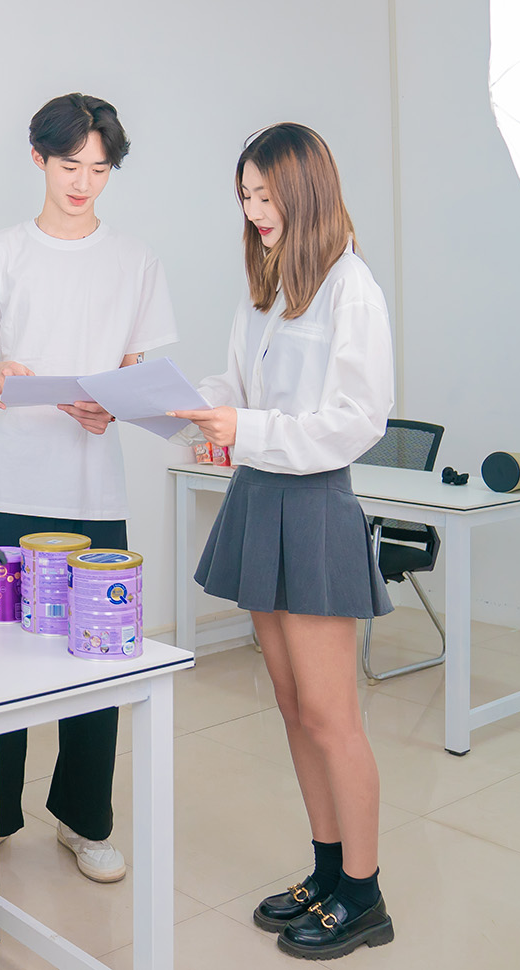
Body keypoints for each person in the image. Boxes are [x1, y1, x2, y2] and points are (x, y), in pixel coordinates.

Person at [169, 123, 396, 958]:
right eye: (245, 196)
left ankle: (364, 897)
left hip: (313, 504)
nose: (255, 211)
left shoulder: (350, 288)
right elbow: (234, 385)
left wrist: (247, 428)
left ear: (305, 191)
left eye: (265, 195)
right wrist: (189, 406)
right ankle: (328, 870)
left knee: (333, 717)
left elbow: (357, 420)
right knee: (295, 708)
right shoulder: (266, 286)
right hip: (259, 495)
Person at [0, 93, 178, 882]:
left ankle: (85, 820)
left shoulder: (135, 260)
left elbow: (138, 369)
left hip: (93, 489)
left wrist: (116, 403)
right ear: (38, 159)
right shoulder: (0, 252)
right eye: (70, 165)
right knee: (0, 656)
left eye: (99, 169)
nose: (83, 183)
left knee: (98, 656)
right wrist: (1, 373)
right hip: (9, 482)